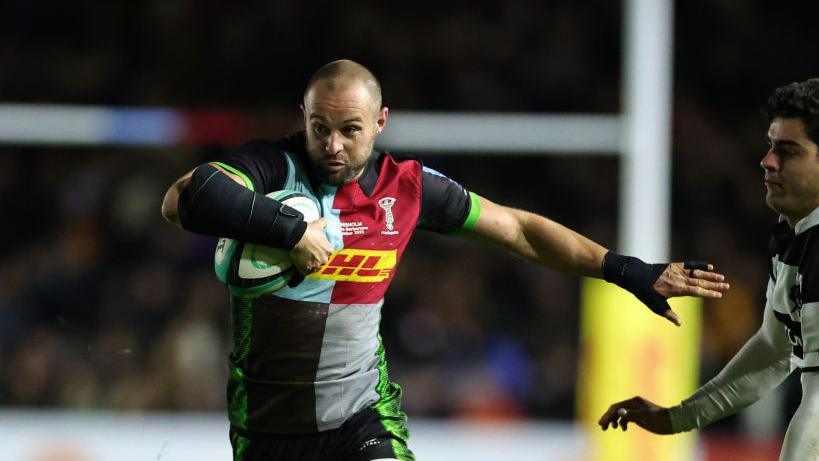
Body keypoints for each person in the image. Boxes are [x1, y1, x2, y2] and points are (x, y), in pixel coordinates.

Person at [161, 59, 729, 461]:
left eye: (350, 130)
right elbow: (186, 197)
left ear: (381, 121)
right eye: (320, 128)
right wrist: (290, 230)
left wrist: (626, 270)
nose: (333, 145)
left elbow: (519, 230)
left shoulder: (407, 188)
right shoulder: (271, 167)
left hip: (362, 417)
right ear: (303, 117)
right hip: (267, 428)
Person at [599, 78, 819, 461]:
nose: (768, 161)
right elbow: (774, 350)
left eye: (788, 151)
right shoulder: (795, 235)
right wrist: (679, 417)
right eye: (770, 146)